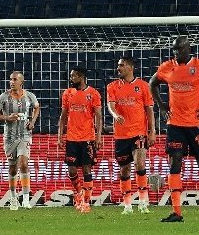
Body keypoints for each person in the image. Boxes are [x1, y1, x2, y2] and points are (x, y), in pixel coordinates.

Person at [150, 36, 199, 223]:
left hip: (196, 125)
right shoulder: (166, 67)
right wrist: (162, 107)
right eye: (173, 50)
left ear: (188, 49)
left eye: (179, 49)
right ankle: (177, 212)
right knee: (174, 163)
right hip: (175, 125)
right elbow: (152, 84)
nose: (175, 53)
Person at [105, 55, 155, 214]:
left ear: (130, 68)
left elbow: (149, 110)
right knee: (124, 170)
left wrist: (152, 131)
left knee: (140, 165)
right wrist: (115, 115)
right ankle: (127, 205)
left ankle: (143, 202)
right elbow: (110, 105)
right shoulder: (112, 86)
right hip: (121, 134)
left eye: (121, 65)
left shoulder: (143, 86)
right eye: (118, 65)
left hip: (139, 132)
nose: (118, 68)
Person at [0, 71, 41, 210]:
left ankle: (25, 199)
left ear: (21, 82)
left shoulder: (29, 96)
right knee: (13, 169)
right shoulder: (4, 97)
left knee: (24, 163)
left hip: (24, 136)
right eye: (10, 80)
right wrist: (7, 117)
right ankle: (13, 198)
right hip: (10, 138)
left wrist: (33, 121)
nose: (11, 82)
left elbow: (37, 107)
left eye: (14, 80)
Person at [57, 66, 102, 213]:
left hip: (87, 138)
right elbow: (63, 116)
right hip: (71, 138)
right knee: (71, 170)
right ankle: (78, 194)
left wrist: (99, 136)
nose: (71, 79)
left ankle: (86, 202)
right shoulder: (67, 93)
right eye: (71, 76)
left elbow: (99, 117)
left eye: (74, 76)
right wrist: (60, 135)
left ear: (81, 77)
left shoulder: (93, 93)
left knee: (87, 169)